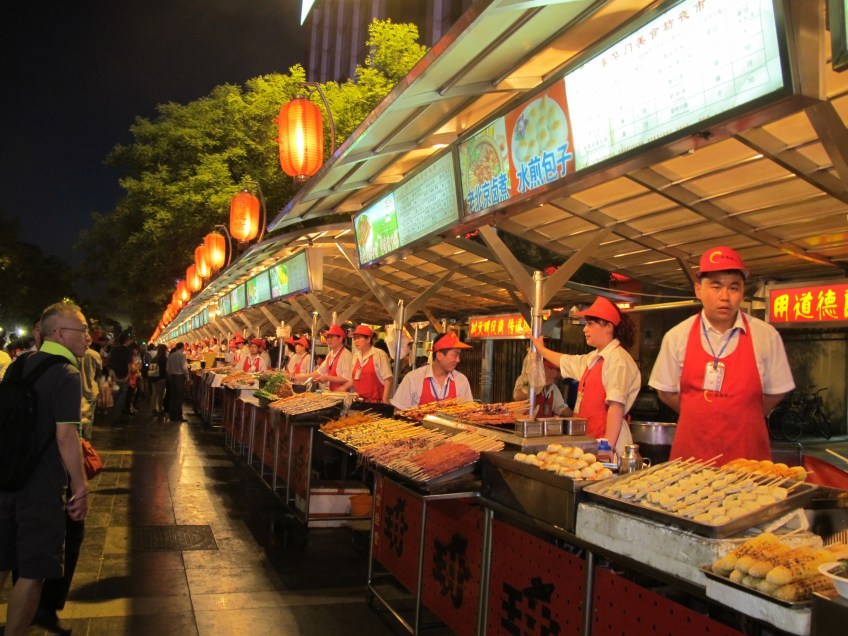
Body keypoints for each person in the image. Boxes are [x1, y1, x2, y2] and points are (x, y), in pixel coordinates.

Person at [648, 246, 794, 465]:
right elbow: (665, 392)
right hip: (691, 458)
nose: (725, 296)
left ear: (742, 292)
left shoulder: (766, 336)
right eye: (716, 287)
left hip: (748, 459)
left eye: (733, 288)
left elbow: (775, 393)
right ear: (698, 290)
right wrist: (702, 414)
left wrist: (743, 414)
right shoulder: (677, 336)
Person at [0, 302, 90, 636]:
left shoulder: (18, 364)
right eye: (82, 332)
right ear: (60, 333)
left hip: (5, 476)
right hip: (39, 486)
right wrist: (80, 488)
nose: (87, 339)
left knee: (2, 562)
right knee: (33, 572)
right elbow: (66, 436)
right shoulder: (67, 374)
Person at [531, 296, 641, 453]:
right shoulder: (594, 358)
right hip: (590, 439)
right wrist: (542, 350)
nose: (585, 329)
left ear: (608, 327)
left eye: (590, 324)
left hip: (608, 443)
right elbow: (567, 361)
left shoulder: (618, 360)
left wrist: (606, 448)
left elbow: (616, 407)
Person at [391, 332, 474, 410]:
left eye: (459, 355)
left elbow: (468, 412)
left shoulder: (461, 380)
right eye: (455, 355)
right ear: (439, 355)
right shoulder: (413, 379)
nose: (458, 360)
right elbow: (398, 412)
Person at [345, 325, 393, 403]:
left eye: (359, 338)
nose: (355, 341)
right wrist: (344, 387)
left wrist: (385, 398)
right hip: (358, 401)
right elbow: (354, 379)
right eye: (355, 338)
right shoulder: (356, 356)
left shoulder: (379, 354)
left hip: (376, 402)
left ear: (368, 339)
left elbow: (388, 378)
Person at [310, 324, 353, 391]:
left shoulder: (347, 355)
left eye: (331, 337)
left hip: (344, 397)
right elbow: (319, 372)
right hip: (332, 393)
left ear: (340, 339)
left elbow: (347, 378)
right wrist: (303, 377)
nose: (328, 340)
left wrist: (327, 378)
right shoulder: (330, 355)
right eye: (327, 337)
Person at [79, 332, 102, 441]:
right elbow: (99, 371)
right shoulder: (94, 354)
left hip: (77, 391)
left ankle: (78, 440)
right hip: (91, 390)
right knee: (88, 417)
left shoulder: (73, 353)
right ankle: (86, 442)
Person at [109, 333, 133, 426]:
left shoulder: (113, 350)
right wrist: (127, 376)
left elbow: (110, 364)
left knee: (114, 398)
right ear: (126, 340)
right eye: (129, 340)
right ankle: (116, 419)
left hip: (115, 377)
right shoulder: (128, 351)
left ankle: (113, 417)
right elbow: (129, 365)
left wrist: (114, 376)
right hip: (124, 377)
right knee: (121, 399)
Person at [166, 342, 189, 422]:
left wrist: (170, 376)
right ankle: (178, 416)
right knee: (179, 397)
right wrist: (187, 377)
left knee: (173, 396)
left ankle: (172, 415)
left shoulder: (171, 355)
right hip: (179, 377)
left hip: (172, 377)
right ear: (182, 347)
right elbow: (184, 368)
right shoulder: (182, 356)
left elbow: (167, 368)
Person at [149, 344, 168, 415]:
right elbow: (165, 369)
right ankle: (160, 409)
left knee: (154, 394)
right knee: (160, 394)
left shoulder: (154, 358)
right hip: (161, 378)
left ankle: (153, 409)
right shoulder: (164, 359)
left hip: (153, 378)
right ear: (164, 350)